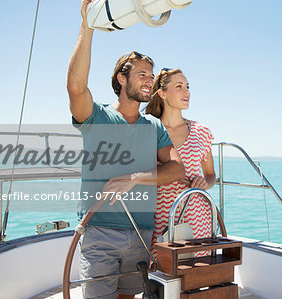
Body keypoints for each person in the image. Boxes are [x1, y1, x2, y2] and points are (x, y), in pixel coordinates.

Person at [66, 1, 185, 298]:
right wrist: (87, 26)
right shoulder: (98, 117)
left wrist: (134, 177)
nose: (149, 80)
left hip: (142, 234)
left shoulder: (153, 127)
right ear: (122, 79)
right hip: (100, 231)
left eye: (151, 74)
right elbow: (76, 89)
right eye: (142, 74)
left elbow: (177, 168)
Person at [145, 68, 216, 257]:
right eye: (179, 86)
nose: (187, 92)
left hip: (198, 217)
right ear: (162, 93)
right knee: (164, 275)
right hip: (161, 217)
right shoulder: (150, 130)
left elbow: (210, 175)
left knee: (197, 276)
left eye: (187, 87)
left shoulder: (201, 131)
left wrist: (204, 183)